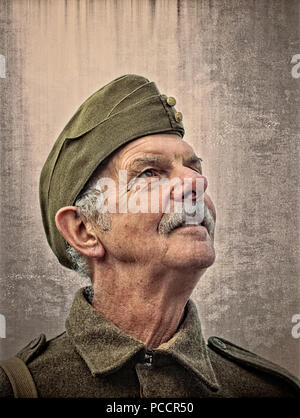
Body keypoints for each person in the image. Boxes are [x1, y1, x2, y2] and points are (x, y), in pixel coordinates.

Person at [0, 74, 299, 398]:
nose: (196, 184)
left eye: (194, 169)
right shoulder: (19, 389)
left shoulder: (266, 391)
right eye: (150, 173)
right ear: (84, 230)